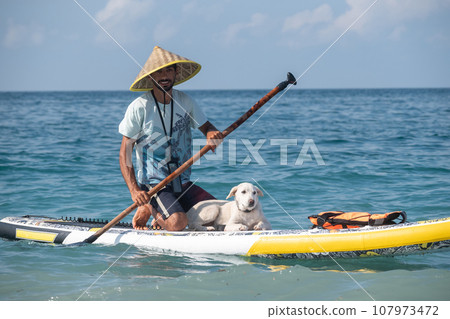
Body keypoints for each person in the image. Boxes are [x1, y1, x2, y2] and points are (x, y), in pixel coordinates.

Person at [119, 46, 223, 231]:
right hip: (154, 185)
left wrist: (211, 134)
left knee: (220, 217)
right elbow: (125, 151)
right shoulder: (140, 107)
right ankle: (151, 208)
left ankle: (169, 211)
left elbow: (207, 127)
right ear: (151, 77)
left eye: (168, 70)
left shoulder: (185, 101)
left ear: (176, 73)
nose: (164, 75)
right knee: (178, 223)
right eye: (159, 71)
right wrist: (135, 191)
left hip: (182, 181)